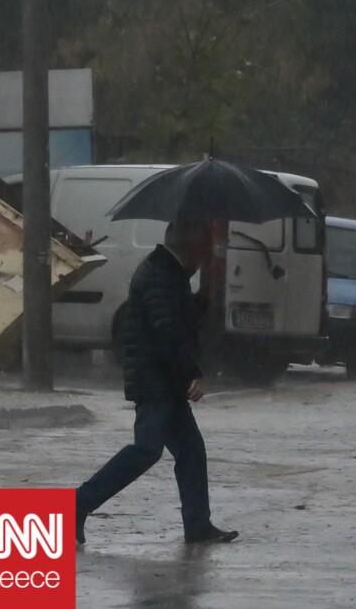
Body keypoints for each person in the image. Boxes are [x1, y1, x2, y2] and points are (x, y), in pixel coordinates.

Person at [75, 220, 238, 545]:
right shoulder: (160, 275)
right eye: (203, 249)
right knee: (147, 449)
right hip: (155, 381)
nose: (205, 256)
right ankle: (77, 504)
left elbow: (176, 318)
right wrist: (192, 371)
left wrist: (202, 301)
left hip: (165, 380)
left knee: (191, 450)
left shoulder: (169, 273)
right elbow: (168, 331)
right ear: (189, 246)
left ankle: (198, 525)